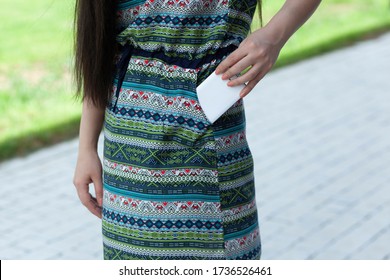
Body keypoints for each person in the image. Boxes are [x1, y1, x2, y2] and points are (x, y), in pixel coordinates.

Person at [73, 0, 321, 260]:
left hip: (212, 143)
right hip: (127, 157)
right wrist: (86, 147)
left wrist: (275, 35)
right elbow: (101, 46)